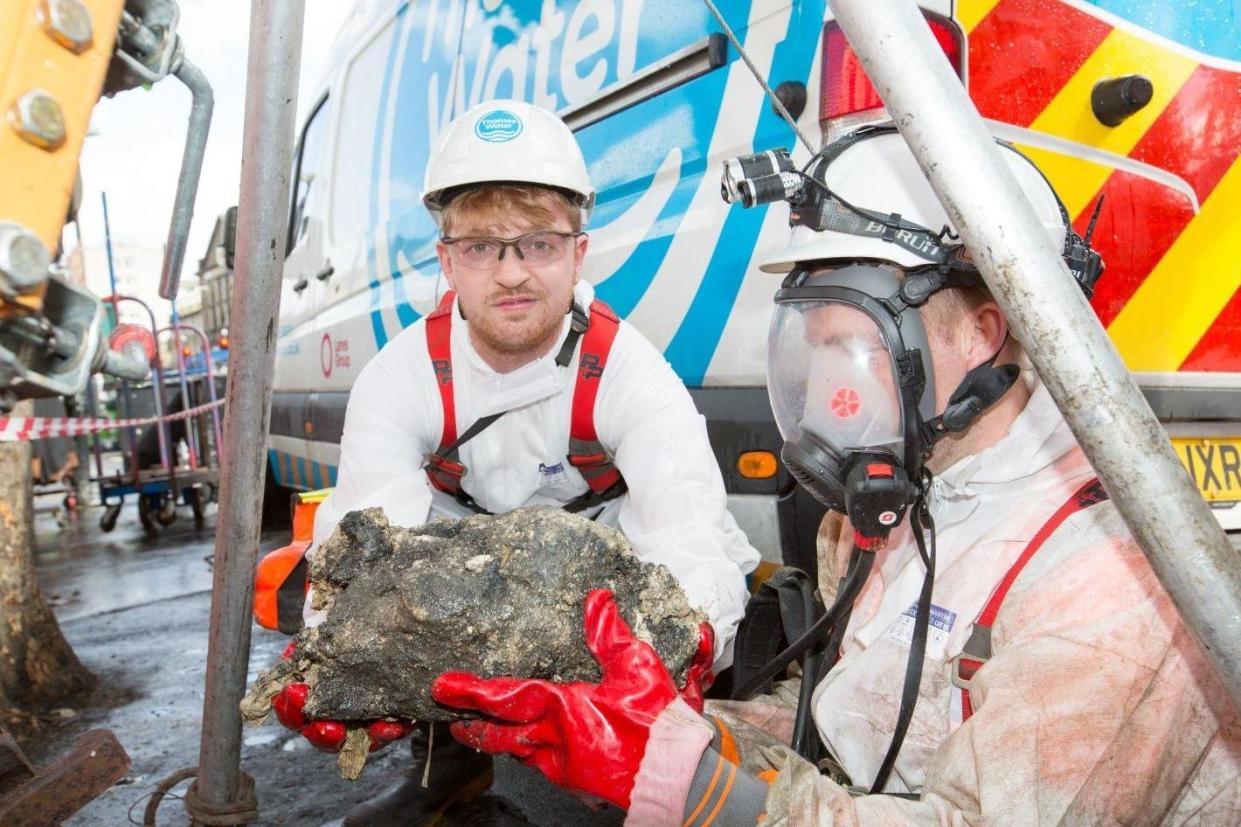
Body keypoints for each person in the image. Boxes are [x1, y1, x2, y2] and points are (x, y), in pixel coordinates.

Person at [430, 127, 1241, 824]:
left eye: (844, 347)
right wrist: (671, 727)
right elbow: (852, 729)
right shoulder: (906, 507)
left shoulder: (1106, 586)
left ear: (981, 335)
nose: (823, 395)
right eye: (809, 348)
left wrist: (701, 792)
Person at [272, 100, 760, 827]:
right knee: (397, 594)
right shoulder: (401, 375)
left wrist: (677, 659)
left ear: (577, 252)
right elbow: (359, 544)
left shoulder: (627, 370)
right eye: (480, 247)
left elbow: (688, 536)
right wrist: (333, 651)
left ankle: (632, 770)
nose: (510, 274)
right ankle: (447, 770)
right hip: (458, 566)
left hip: (590, 573)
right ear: (446, 261)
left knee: (683, 609)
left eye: (537, 243)